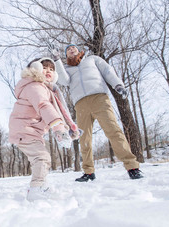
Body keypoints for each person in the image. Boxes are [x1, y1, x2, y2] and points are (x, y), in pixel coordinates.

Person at [50, 43, 143, 182]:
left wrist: (118, 84)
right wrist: (56, 59)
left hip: (99, 98)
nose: (71, 50)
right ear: (66, 55)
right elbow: (64, 81)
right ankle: (88, 172)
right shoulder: (67, 69)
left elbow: (107, 71)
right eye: (67, 50)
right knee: (84, 137)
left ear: (78, 50)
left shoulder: (92, 59)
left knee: (113, 131)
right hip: (80, 103)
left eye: (73, 48)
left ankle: (132, 167)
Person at [9, 57, 80, 201]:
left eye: (52, 69)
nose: (48, 71)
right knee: (42, 158)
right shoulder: (35, 86)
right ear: (35, 69)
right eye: (45, 67)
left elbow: (52, 109)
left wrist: (66, 128)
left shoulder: (44, 88)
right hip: (25, 129)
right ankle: (36, 189)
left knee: (40, 159)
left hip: (31, 131)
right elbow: (43, 106)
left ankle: (42, 186)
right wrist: (59, 127)